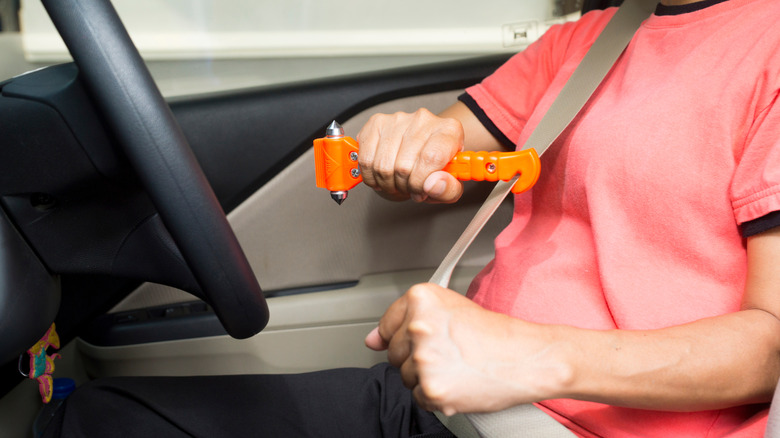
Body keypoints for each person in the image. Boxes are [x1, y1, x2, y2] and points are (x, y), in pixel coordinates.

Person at [44, 0, 780, 436]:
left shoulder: (768, 45)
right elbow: (451, 137)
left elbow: (770, 347)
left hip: (559, 419)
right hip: (446, 402)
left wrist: (527, 356)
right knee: (103, 422)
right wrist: (406, 146)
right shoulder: (590, 38)